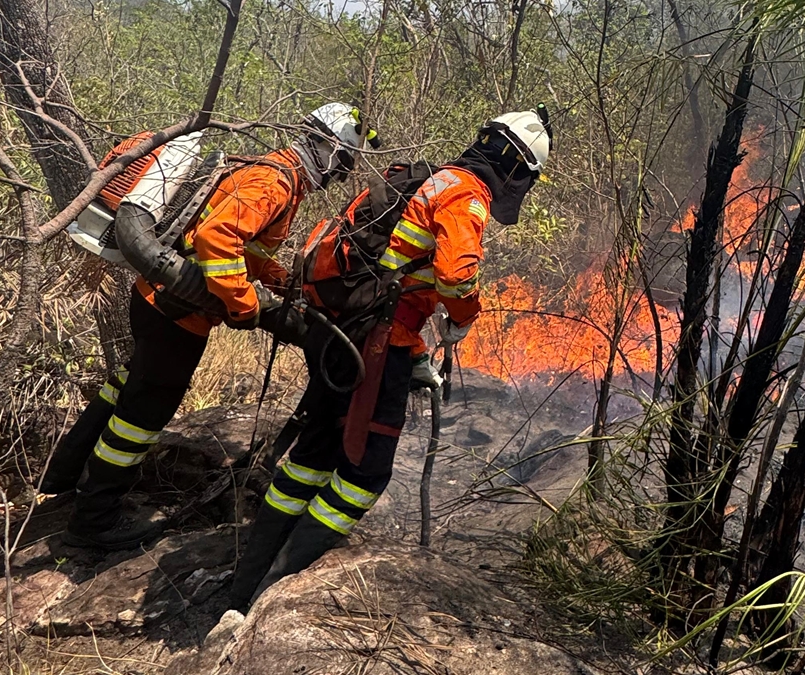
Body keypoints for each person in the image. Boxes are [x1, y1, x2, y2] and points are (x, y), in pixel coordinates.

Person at [228, 108, 552, 611]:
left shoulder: (425, 179)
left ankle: (244, 587)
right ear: (516, 168)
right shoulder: (465, 194)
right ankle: (277, 594)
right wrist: (463, 318)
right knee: (366, 472)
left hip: (337, 330)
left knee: (313, 458)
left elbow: (390, 271)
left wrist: (419, 348)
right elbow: (457, 276)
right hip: (376, 342)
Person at [40, 103, 380, 550]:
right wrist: (243, 306)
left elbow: (243, 246)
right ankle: (94, 521)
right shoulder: (274, 181)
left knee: (128, 385)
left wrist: (281, 281)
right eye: (343, 162)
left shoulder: (278, 175)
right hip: (178, 312)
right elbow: (216, 239)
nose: (339, 174)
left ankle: (66, 471)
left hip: (156, 301)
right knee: (141, 420)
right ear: (327, 147)